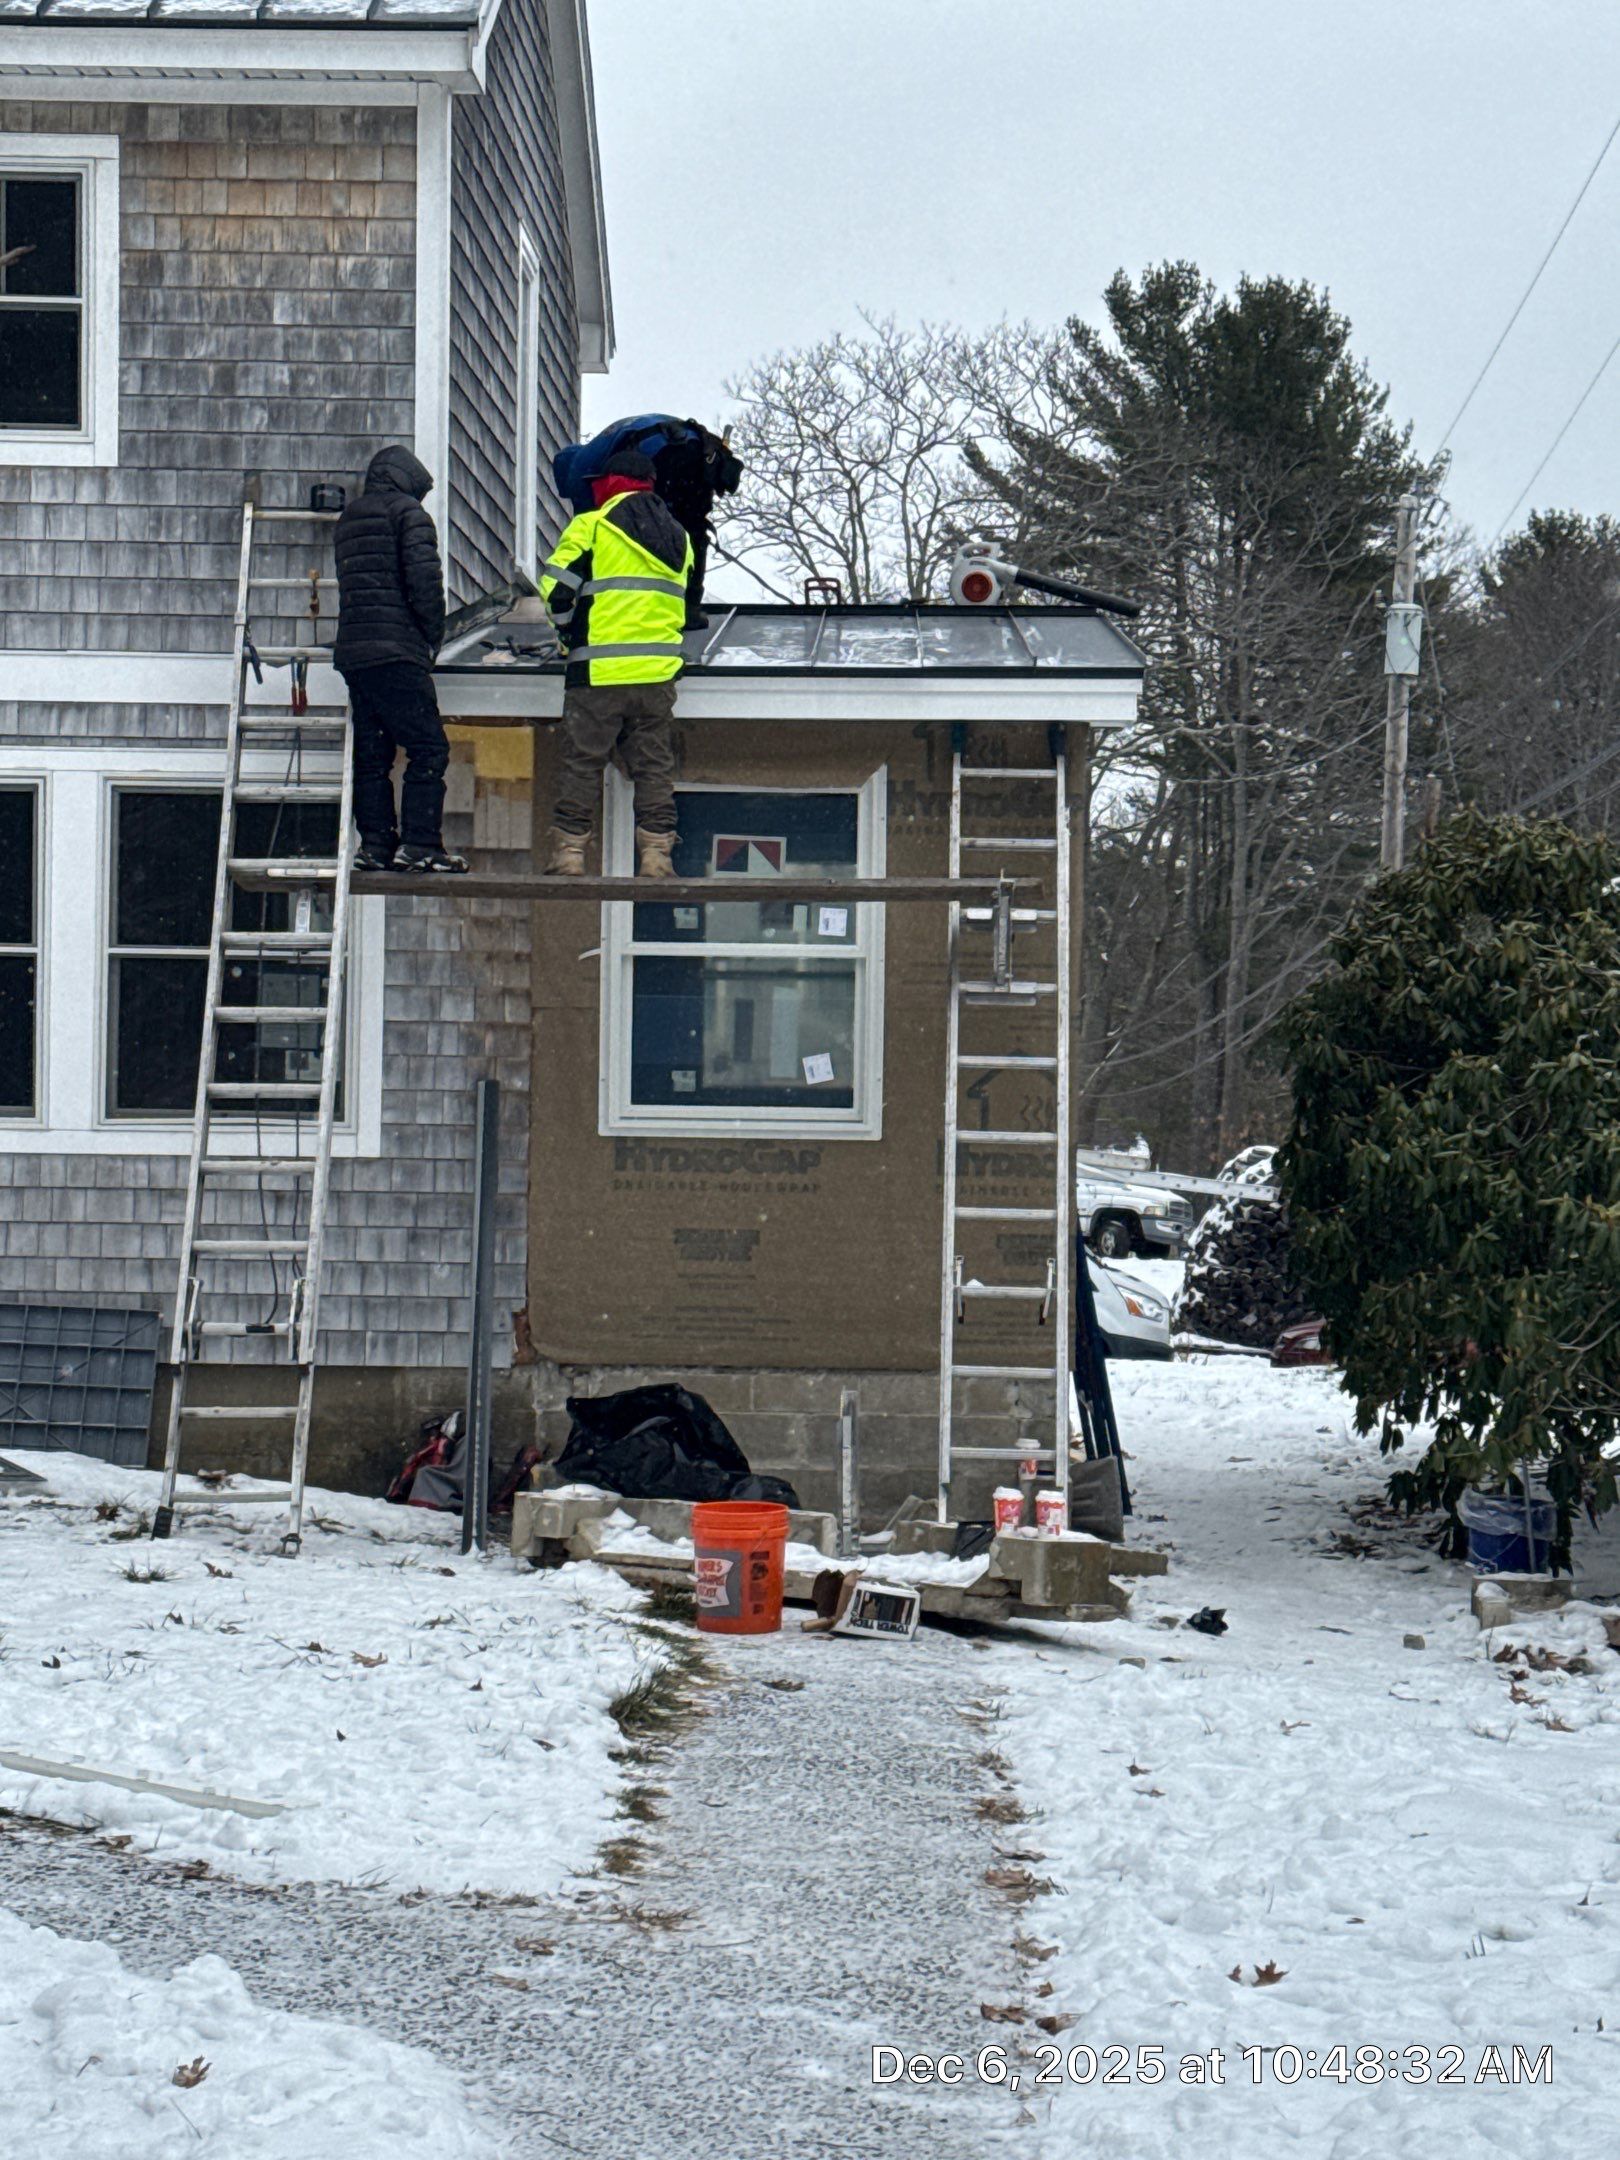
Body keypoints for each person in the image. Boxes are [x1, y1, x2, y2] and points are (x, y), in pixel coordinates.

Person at [538, 448, 693, 878]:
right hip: (656, 677)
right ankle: (657, 856)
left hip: (599, 674)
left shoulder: (591, 526)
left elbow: (555, 592)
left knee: (582, 763)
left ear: (610, 483)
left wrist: (569, 633)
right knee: (654, 767)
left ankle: (570, 854)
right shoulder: (679, 537)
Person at [332, 445, 466, 873]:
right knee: (428, 748)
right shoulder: (409, 515)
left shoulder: (349, 519)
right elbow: (425, 582)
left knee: (373, 757)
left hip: (355, 654)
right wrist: (432, 637)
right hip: (397, 652)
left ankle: (375, 845)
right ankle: (421, 844)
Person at [552, 415, 740, 628]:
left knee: (646, 528)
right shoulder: (597, 450)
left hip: (662, 459)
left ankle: (679, 608)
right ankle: (690, 608)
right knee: (692, 529)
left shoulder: (579, 474)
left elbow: (592, 538)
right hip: (702, 453)